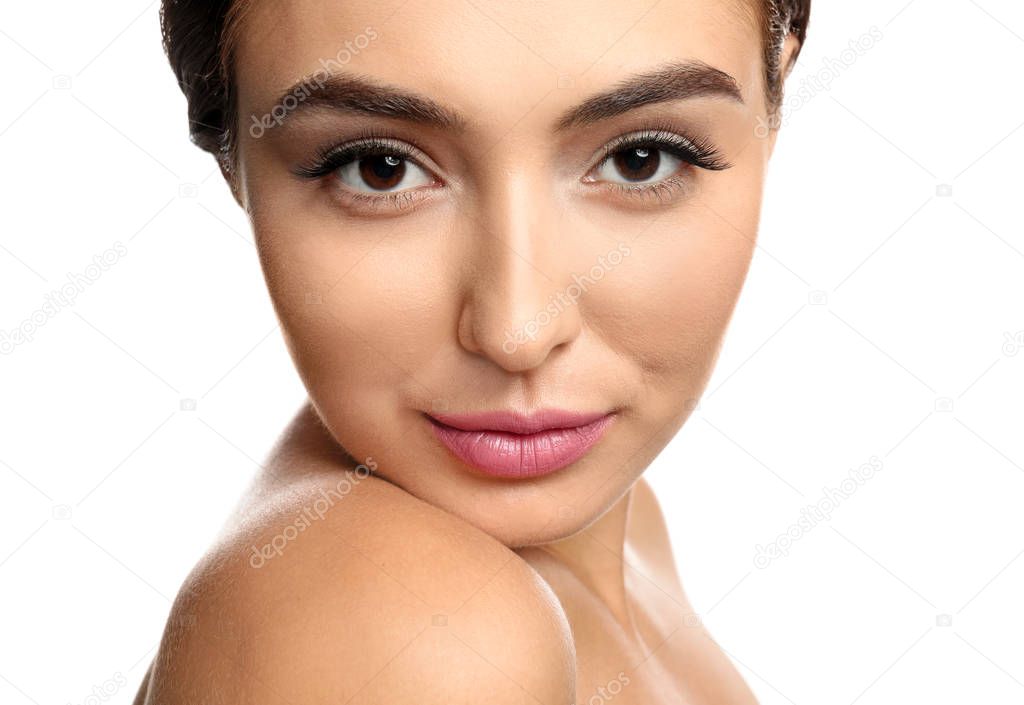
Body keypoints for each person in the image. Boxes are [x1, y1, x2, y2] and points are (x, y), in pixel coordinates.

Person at [137, 0, 810, 702]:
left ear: (776, 94)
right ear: (232, 158)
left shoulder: (629, 535)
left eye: (639, 159)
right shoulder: (411, 626)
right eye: (380, 168)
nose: (517, 331)